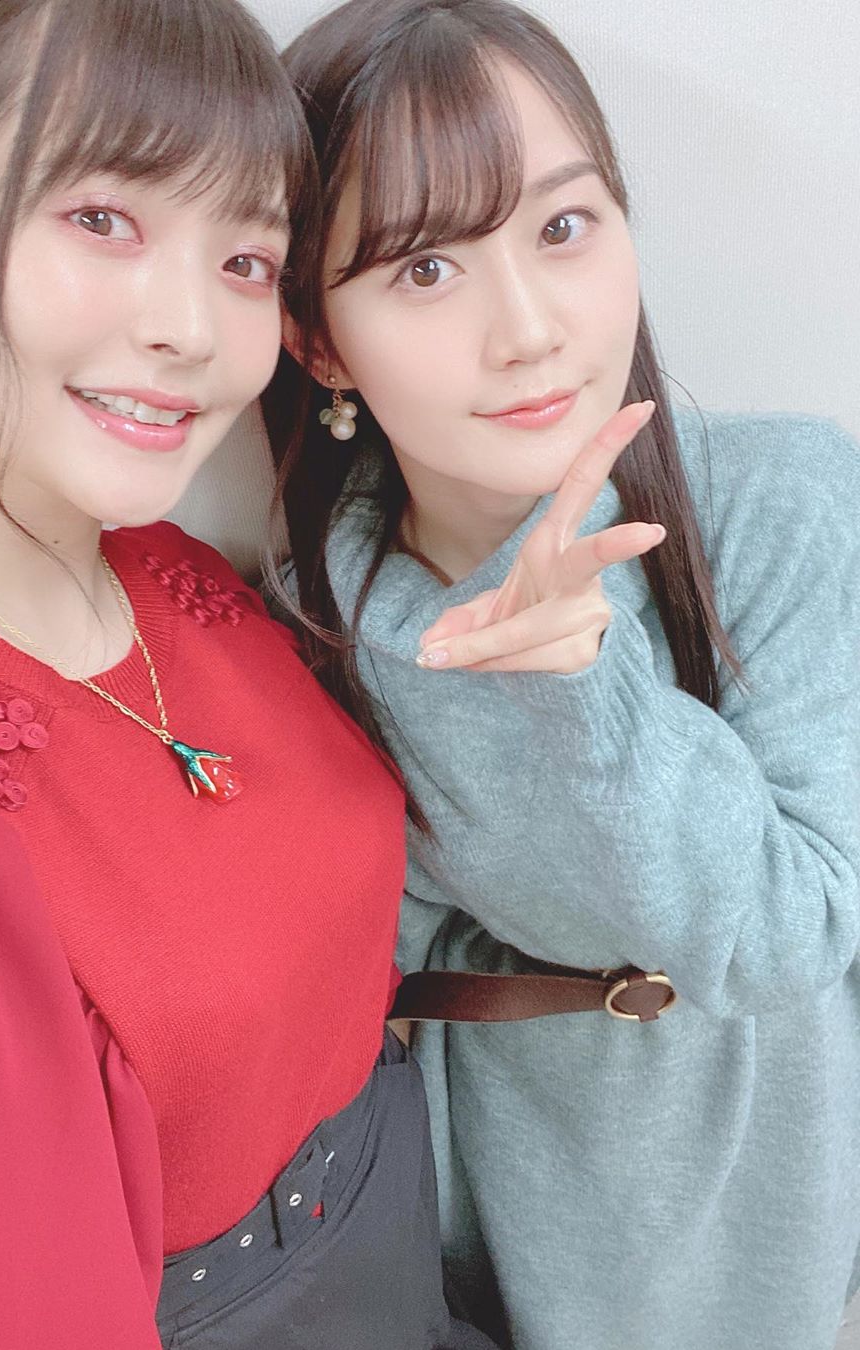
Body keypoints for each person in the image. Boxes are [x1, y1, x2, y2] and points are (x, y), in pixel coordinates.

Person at [0, 2, 500, 1347]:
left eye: (245, 259)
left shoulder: (183, 573)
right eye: (102, 218)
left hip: (398, 1237)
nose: (190, 327)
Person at [268, 1, 860, 1346]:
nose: (529, 328)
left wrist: (584, 686)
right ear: (317, 338)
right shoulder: (326, 604)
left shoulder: (783, 502)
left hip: (772, 1215)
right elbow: (372, 969)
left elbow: (790, 939)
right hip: (505, 1230)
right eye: (426, 267)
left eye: (563, 226)